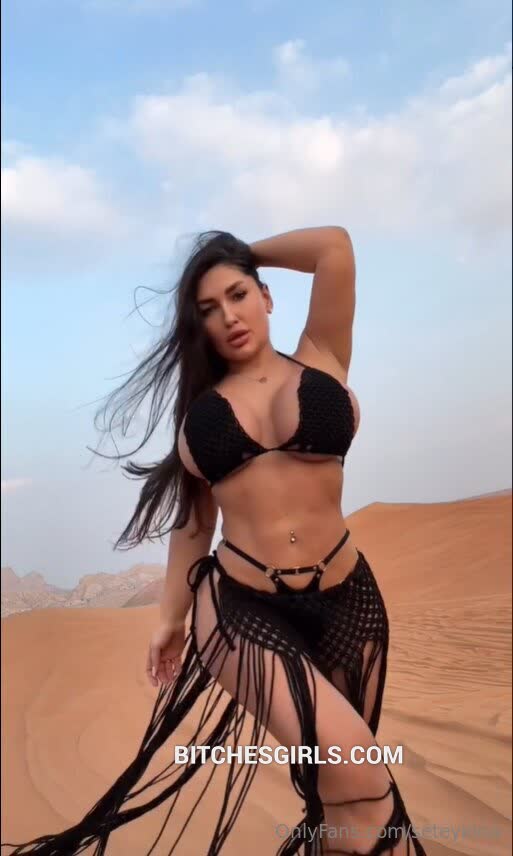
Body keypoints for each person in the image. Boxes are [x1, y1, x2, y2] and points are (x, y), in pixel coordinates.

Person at [2, 227, 426, 855]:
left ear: (267, 297)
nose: (228, 316)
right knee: (365, 783)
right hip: (243, 613)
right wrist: (170, 620)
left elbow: (333, 248)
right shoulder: (201, 413)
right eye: (208, 308)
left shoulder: (322, 355)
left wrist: (239, 251)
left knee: (339, 791)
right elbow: (195, 526)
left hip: (349, 602)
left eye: (238, 294)